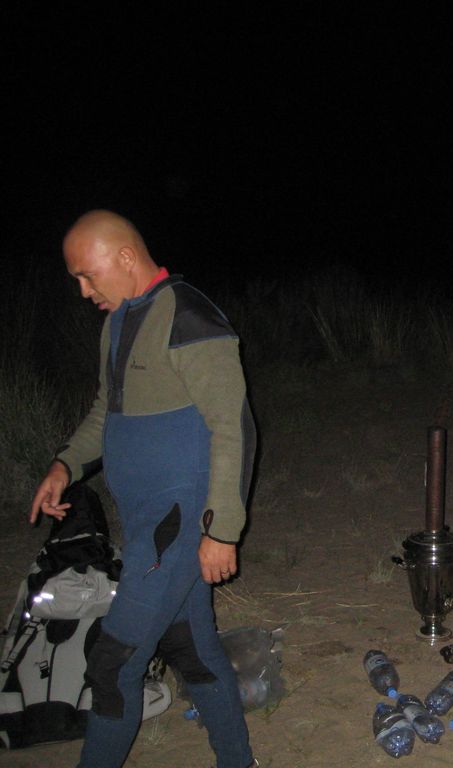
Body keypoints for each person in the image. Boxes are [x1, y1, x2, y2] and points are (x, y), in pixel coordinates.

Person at [29, 210, 259, 768]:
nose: (84, 292)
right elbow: (105, 411)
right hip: (146, 524)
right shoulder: (119, 321)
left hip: (177, 524)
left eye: (88, 276)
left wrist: (221, 531)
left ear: (125, 257)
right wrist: (65, 465)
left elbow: (234, 427)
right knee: (191, 647)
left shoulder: (189, 317)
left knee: (113, 664)